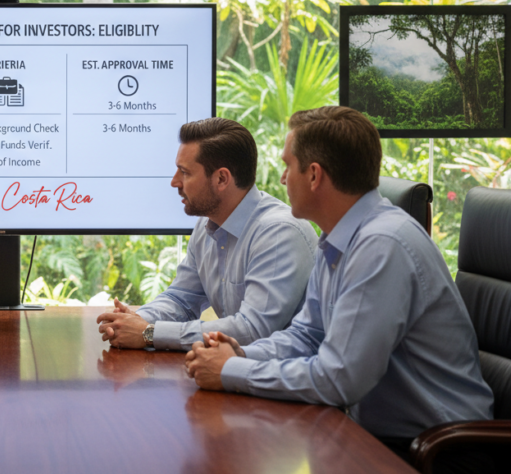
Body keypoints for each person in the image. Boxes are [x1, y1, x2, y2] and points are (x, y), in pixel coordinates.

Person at [185, 106, 493, 458]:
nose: (283, 179)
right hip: (371, 435)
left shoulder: (382, 245)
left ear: (314, 175)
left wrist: (231, 370)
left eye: (288, 166)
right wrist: (238, 354)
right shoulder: (337, 239)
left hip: (438, 450)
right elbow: (307, 335)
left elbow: (337, 379)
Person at [97, 118, 316, 351]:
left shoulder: (279, 233)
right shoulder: (207, 225)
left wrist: (149, 332)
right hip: (238, 374)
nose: (174, 182)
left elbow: (252, 330)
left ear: (221, 179)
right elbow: (181, 300)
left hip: (284, 379)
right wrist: (134, 318)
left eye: (185, 172)